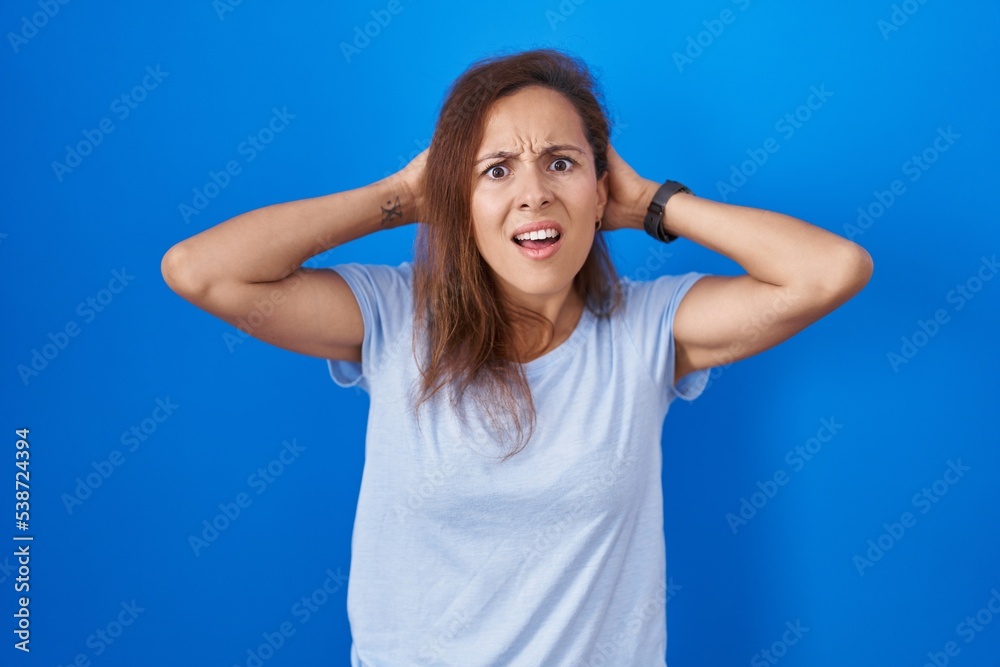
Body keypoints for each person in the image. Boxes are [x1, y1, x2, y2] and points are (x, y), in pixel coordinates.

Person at [162, 49, 872, 666]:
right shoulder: (395, 315)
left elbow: (830, 269)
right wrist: (404, 195)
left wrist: (657, 204)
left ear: (601, 191)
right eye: (495, 170)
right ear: (457, 200)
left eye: (561, 163)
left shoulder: (647, 329)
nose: (533, 192)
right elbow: (201, 269)